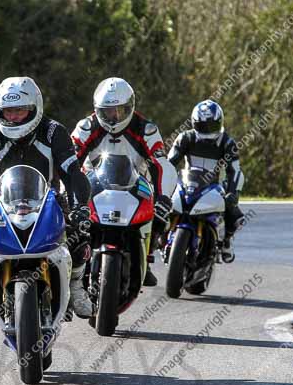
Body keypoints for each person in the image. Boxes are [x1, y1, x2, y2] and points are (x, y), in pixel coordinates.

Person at [0, 77, 92, 329]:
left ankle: (76, 286)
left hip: (49, 197)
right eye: (8, 112)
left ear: (34, 108)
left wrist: (81, 207)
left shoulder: (54, 132)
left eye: (20, 111)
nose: (14, 118)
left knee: (80, 230)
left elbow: (74, 174)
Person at [71, 77, 177, 286]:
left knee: (160, 217)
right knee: (71, 221)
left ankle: (145, 256)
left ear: (131, 106)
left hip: (134, 184)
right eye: (107, 111)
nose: (113, 117)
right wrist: (66, 191)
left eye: (119, 110)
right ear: (97, 109)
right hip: (94, 183)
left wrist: (164, 197)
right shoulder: (86, 126)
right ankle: (75, 264)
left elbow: (161, 164)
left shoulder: (145, 129)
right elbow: (69, 161)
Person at [167, 99, 245, 262]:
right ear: (195, 124)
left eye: (211, 126)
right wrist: (164, 185)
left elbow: (235, 171)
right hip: (188, 183)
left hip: (214, 186)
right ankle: (154, 242)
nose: (208, 130)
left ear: (219, 123)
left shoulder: (227, 143)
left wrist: (233, 193)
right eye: (203, 126)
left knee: (236, 217)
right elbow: (168, 164)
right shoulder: (185, 138)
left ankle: (226, 242)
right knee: (159, 208)